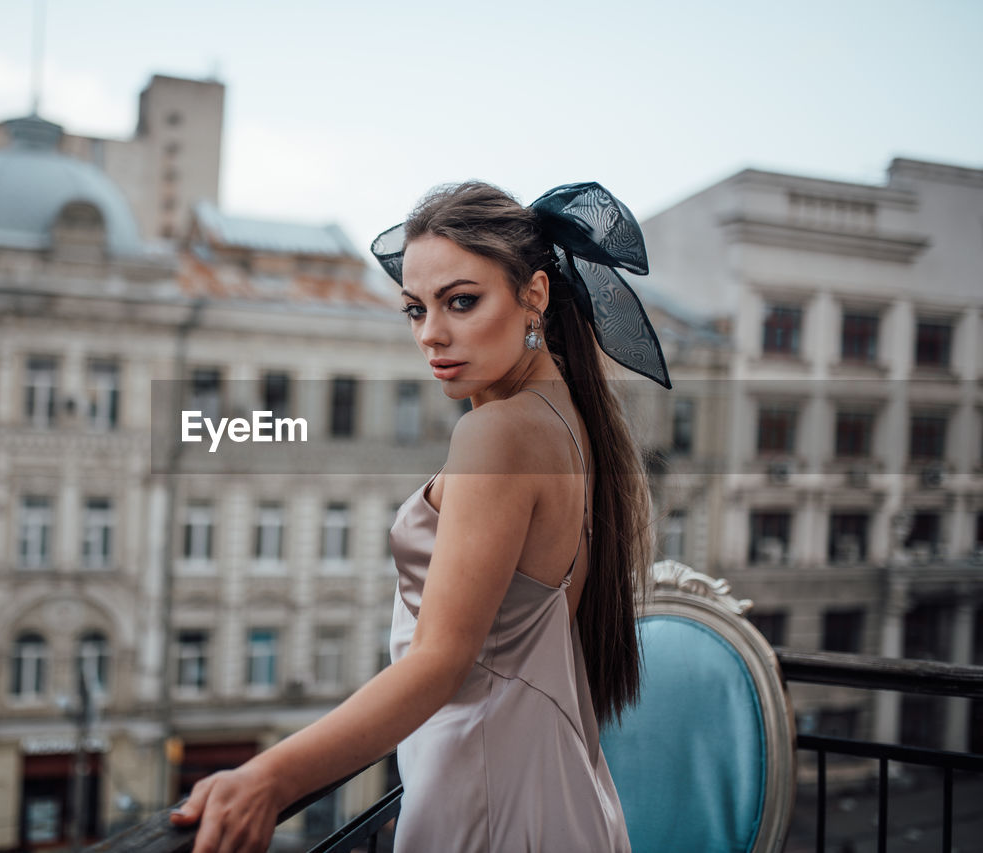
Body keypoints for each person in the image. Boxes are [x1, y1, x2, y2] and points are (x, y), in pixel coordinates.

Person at [169, 180, 671, 852]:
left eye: (461, 301)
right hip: (547, 787)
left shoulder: (498, 433)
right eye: (414, 309)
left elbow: (440, 660)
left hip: (486, 798)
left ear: (536, 297)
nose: (432, 335)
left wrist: (269, 777)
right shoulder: (567, 418)